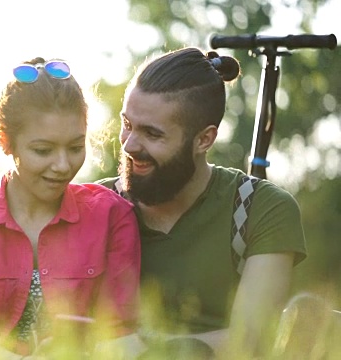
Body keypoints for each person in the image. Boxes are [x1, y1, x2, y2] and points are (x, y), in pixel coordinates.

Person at [97, 47, 307, 358]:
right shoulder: (96, 206)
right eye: (127, 124)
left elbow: (253, 341)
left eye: (152, 134)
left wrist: (145, 349)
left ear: (204, 139)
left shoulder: (261, 209)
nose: (129, 145)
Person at [0, 57, 141, 359]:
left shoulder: (112, 216)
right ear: (6, 142)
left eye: (75, 147)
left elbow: (121, 332)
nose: (62, 165)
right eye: (43, 150)